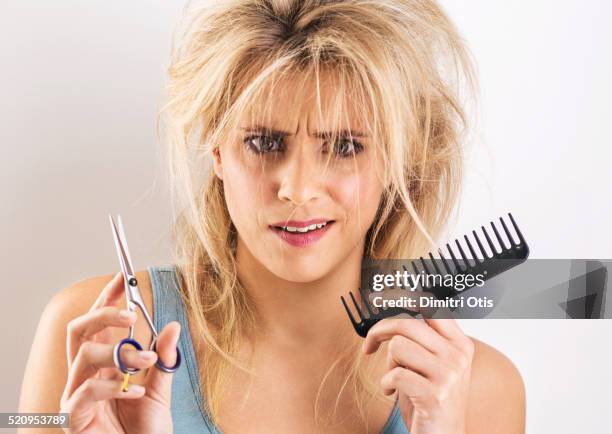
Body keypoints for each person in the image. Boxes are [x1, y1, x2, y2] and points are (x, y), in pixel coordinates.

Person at [19, 0, 526, 433]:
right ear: (216, 148)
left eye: (346, 146)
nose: (297, 189)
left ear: (397, 160)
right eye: (264, 142)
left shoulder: (481, 391)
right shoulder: (95, 341)